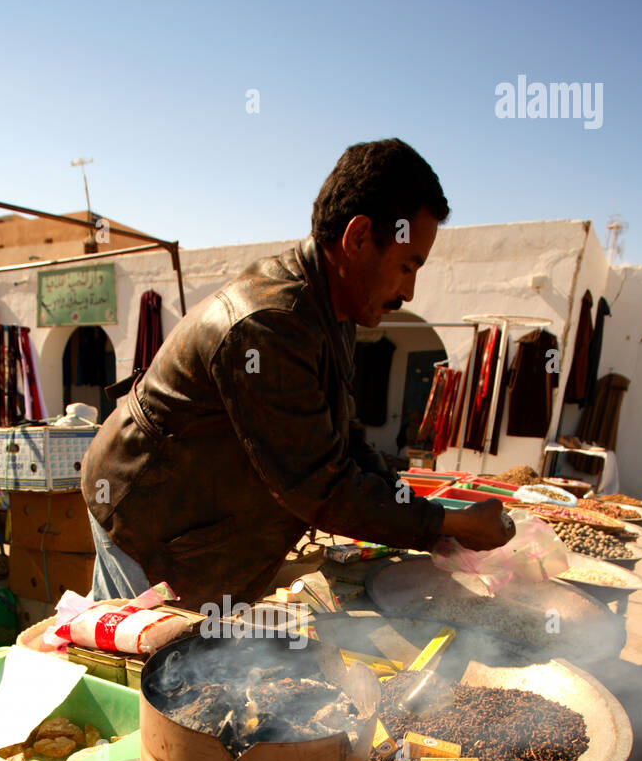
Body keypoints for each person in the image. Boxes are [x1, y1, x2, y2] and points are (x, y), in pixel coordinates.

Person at [81, 138, 514, 606]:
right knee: (146, 663)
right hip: (145, 525)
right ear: (359, 237)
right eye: (407, 266)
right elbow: (320, 487)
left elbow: (342, 447)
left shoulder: (333, 313)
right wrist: (441, 525)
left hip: (207, 533)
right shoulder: (270, 324)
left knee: (204, 650)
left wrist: (429, 515)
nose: (409, 291)